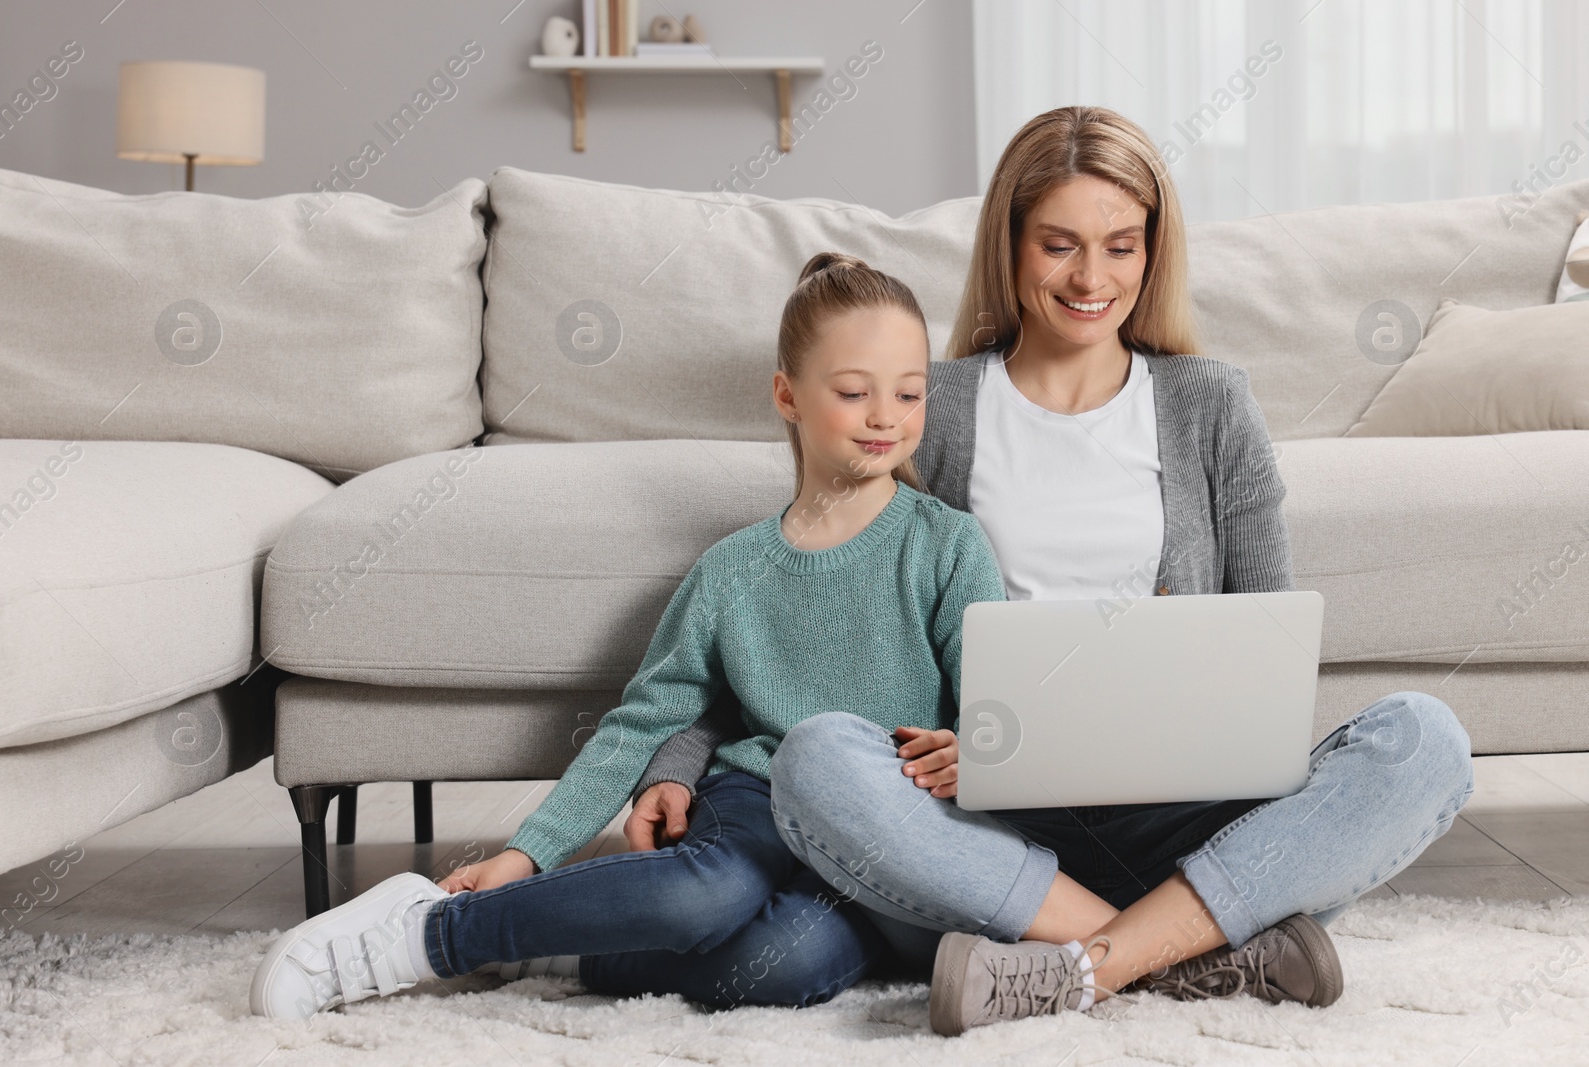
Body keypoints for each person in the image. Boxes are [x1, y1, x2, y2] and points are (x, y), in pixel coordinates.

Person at [627, 105, 1477, 1035]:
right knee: (819, 757)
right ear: (1011, 244)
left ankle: (1077, 968)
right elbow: (793, 599)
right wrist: (677, 759)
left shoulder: (1211, 405)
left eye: (1121, 245)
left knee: (1425, 738)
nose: (1091, 277)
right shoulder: (932, 405)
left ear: (1153, 253)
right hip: (989, 838)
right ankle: (1188, 954)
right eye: (1059, 244)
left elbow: (1265, 654)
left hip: (1187, 822)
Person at [248, 251, 1018, 1020]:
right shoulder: (731, 570)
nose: (887, 416)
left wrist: (968, 748)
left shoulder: (949, 545)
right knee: (703, 895)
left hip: (881, 819)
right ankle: (430, 934)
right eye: (854, 392)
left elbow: (995, 705)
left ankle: (564, 939)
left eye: (910, 393)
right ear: (788, 395)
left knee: (784, 966)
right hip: (758, 797)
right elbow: (641, 723)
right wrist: (526, 852)